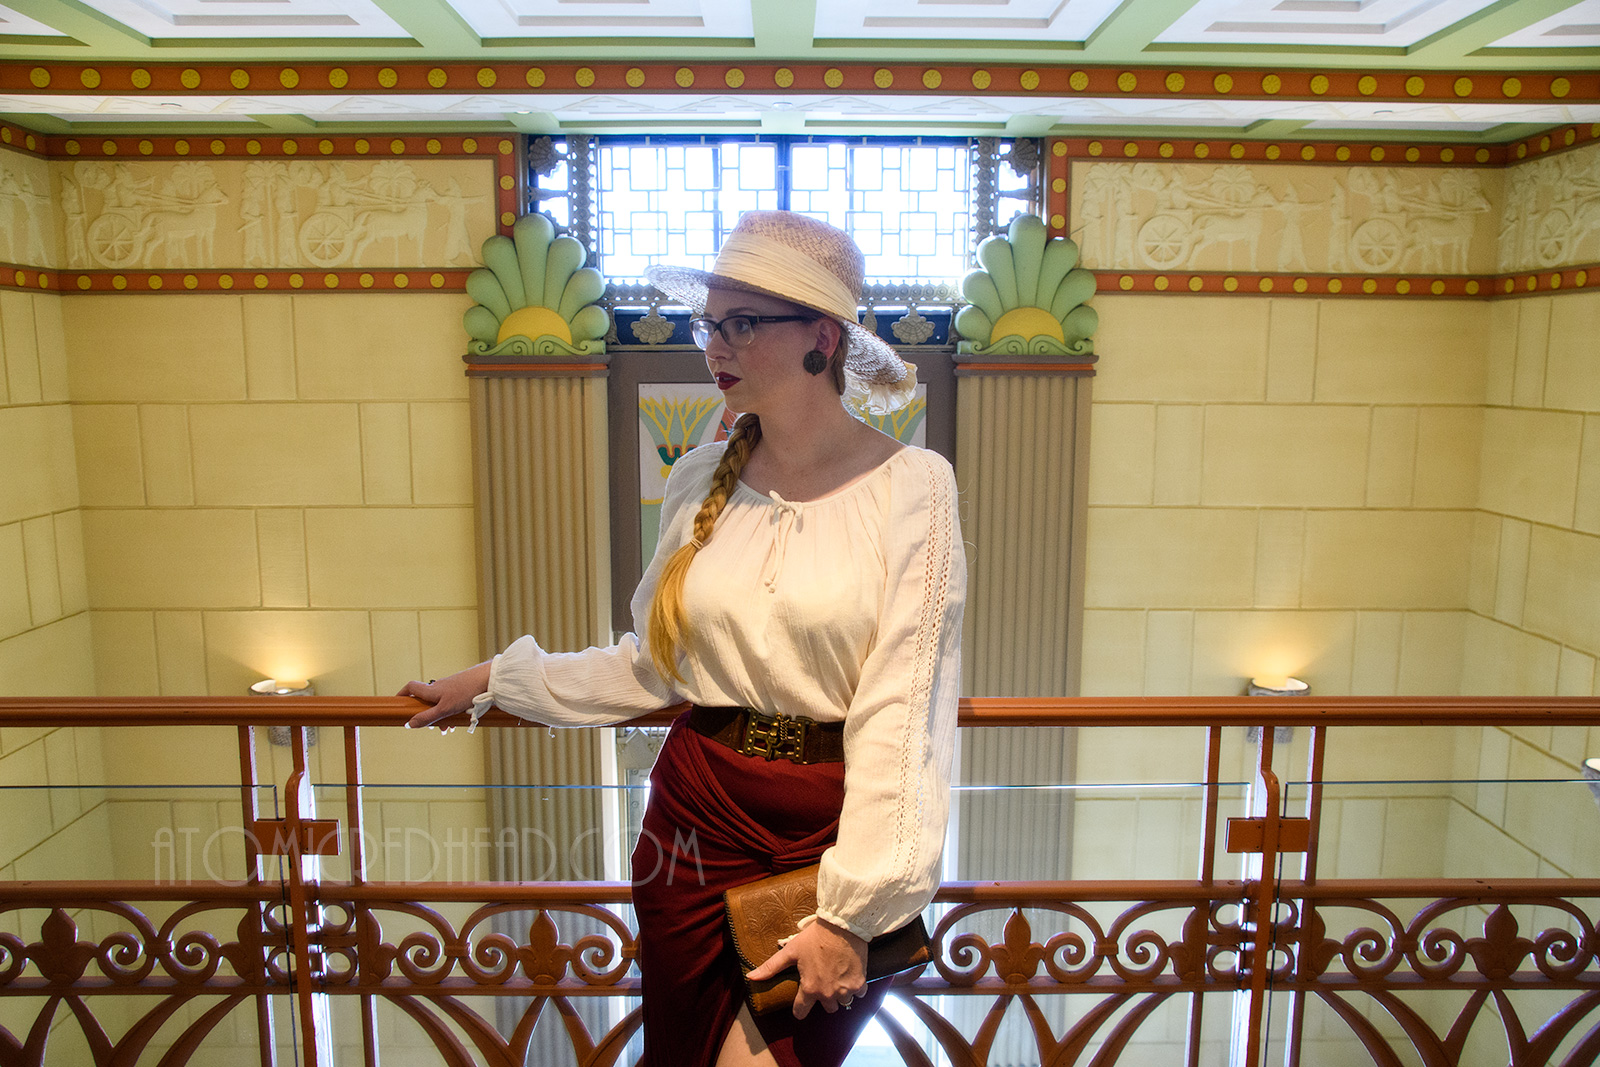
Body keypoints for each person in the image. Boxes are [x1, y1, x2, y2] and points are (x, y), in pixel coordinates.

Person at [401, 210, 966, 1067]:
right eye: (712, 322)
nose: (715, 345)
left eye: (743, 323)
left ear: (822, 337)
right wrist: (496, 679)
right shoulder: (701, 475)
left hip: (828, 836)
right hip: (692, 825)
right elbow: (655, 665)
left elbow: (905, 713)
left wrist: (852, 912)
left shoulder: (914, 487)